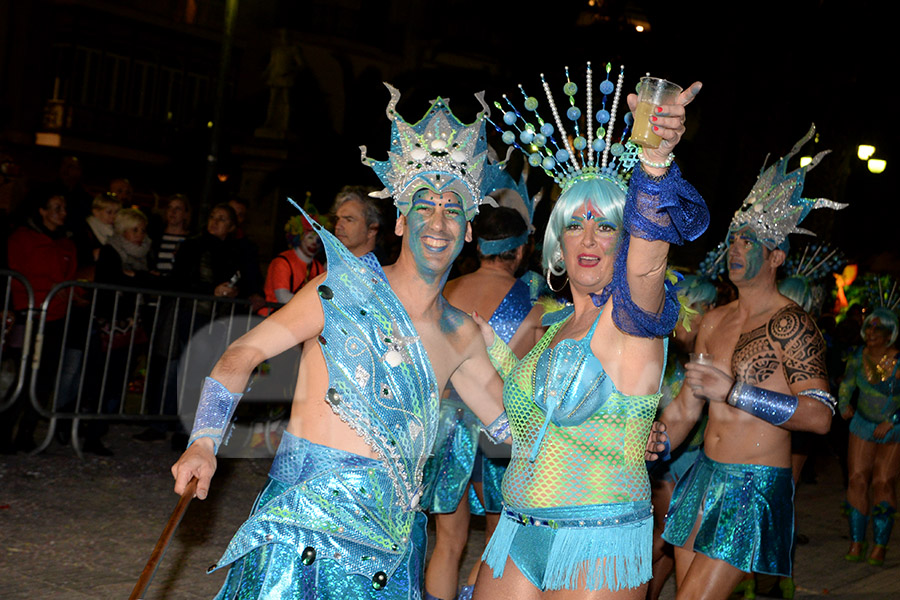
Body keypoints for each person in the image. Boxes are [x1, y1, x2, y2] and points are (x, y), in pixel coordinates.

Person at [170, 84, 511, 598]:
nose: (438, 221)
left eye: (453, 209)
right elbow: (242, 354)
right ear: (399, 219)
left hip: (391, 556)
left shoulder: (461, 333)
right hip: (301, 535)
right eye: (424, 206)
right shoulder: (338, 291)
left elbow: (512, 429)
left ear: (468, 231)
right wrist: (203, 441)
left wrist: (614, 429)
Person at [474, 63, 707, 598]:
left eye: (607, 226)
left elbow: (648, 263)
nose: (589, 238)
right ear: (557, 239)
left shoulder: (632, 320)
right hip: (515, 527)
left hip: (598, 537)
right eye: (576, 223)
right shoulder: (551, 323)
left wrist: (654, 163)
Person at [660, 125, 844, 599]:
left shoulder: (792, 323)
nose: (735, 249)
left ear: (777, 254)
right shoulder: (713, 320)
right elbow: (685, 409)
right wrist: (654, 442)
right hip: (703, 476)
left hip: (752, 486)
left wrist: (735, 391)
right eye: (734, 239)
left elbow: (821, 416)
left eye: (749, 240)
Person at [423, 202, 545, 600]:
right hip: (499, 425)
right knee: (497, 539)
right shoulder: (535, 304)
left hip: (444, 423)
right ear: (522, 249)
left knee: (447, 543)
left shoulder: (448, 289)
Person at [648, 272, 718, 600]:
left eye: (699, 307)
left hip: (696, 461)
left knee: (676, 539)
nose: (691, 316)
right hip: (663, 463)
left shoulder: (710, 356)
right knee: (665, 535)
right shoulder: (657, 349)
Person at [3, 189, 77, 453]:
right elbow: (15, 275)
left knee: (44, 378)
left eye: (64, 208)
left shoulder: (66, 243)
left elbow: (70, 279)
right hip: (29, 315)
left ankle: (27, 433)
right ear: (42, 211)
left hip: (56, 318)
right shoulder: (22, 238)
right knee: (22, 377)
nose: (62, 213)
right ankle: (5, 432)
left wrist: (66, 296)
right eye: (56, 207)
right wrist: (26, 305)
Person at [839, 301, 900, 566]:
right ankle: (856, 541)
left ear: (890, 334)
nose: (871, 333)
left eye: (877, 329)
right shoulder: (857, 357)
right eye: (868, 328)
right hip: (862, 424)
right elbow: (846, 384)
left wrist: (893, 419)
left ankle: (880, 545)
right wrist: (843, 404)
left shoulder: (898, 361)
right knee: (856, 479)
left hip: (894, 428)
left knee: (883, 483)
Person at [262, 210, 326, 306]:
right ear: (299, 238)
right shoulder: (282, 262)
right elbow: (282, 297)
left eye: (318, 240)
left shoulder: (318, 267)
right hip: (273, 315)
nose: (314, 243)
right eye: (310, 238)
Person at [332, 185, 383, 259]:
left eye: (349, 220)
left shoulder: (382, 269)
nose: (338, 226)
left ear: (371, 230)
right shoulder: (332, 264)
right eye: (337, 219)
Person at [151, 194, 192, 277]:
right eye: (170, 207)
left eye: (178, 208)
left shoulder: (191, 240)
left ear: (185, 214)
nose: (173, 212)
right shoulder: (156, 236)